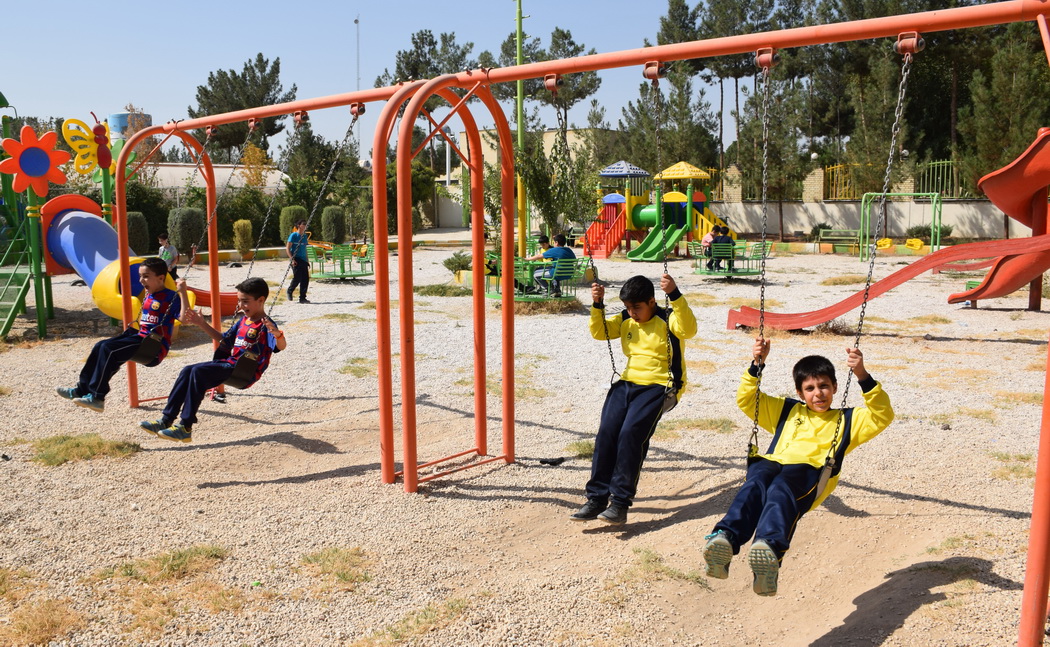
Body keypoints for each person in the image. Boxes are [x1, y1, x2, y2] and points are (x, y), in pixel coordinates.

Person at [702, 338, 894, 597]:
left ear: (835, 387)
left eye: (824, 386)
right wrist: (757, 365)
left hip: (811, 472)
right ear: (800, 392)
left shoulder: (848, 420)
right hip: (772, 463)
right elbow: (747, 400)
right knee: (756, 483)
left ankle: (768, 547)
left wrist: (861, 375)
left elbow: (882, 414)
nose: (819, 393)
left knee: (781, 489)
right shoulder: (786, 410)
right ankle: (725, 537)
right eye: (811, 388)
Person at [571, 274, 698, 525]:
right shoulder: (626, 318)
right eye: (628, 308)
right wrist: (597, 305)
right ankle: (596, 498)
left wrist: (675, 294)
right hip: (628, 381)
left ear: (652, 301)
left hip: (661, 385)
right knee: (607, 432)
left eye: (636, 308)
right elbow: (601, 332)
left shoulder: (669, 318)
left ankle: (619, 503)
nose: (632, 313)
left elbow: (689, 329)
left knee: (631, 434)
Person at [139, 276, 286, 443]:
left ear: (260, 300)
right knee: (187, 370)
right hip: (230, 365)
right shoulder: (243, 321)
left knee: (198, 372)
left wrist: (278, 334)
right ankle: (166, 420)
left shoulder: (266, 325)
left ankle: (185, 426)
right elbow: (224, 340)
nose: (240, 306)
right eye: (239, 301)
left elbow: (280, 346)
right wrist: (201, 323)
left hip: (245, 370)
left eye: (245, 301)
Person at [55, 257, 181, 412]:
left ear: (161, 278)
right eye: (140, 276)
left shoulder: (171, 297)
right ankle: (81, 389)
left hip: (154, 346)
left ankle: (97, 397)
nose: (141, 280)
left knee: (109, 349)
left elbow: (183, 317)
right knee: (100, 346)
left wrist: (182, 293)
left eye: (146, 276)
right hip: (141, 337)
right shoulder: (149, 294)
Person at [286, 219, 310, 304]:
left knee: (305, 279)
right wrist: (292, 259)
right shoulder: (293, 235)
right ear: (299, 225)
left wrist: (307, 260)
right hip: (296, 258)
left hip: (303, 260)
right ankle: (290, 290)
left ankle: (302, 298)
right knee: (297, 278)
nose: (305, 226)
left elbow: (305, 249)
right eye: (303, 224)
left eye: (306, 224)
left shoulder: (304, 236)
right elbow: (288, 248)